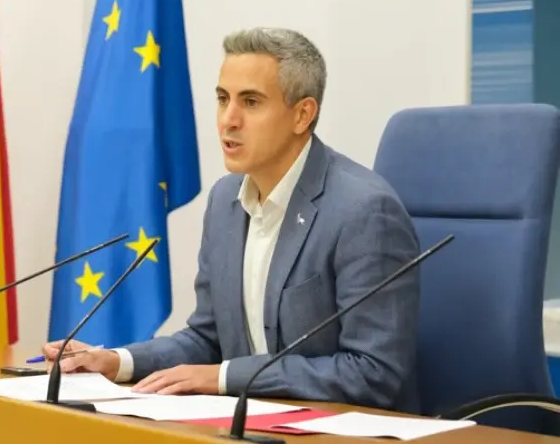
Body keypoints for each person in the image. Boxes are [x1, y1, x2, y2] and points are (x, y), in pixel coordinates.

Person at [42, 27, 421, 412]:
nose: (228, 120)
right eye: (223, 99)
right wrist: (118, 363)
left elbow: (373, 373)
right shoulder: (226, 199)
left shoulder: (364, 212)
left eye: (251, 102)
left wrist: (223, 377)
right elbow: (208, 339)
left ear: (302, 115)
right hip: (249, 425)